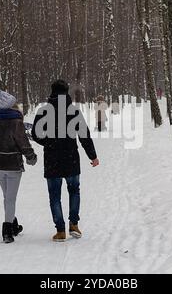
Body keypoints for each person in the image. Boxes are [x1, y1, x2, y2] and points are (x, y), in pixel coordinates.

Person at [32, 80, 99, 242]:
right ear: (66, 92)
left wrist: (49, 142)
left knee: (54, 196)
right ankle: (74, 224)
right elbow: (84, 135)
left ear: (52, 92)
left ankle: (60, 230)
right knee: (74, 191)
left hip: (52, 159)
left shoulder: (44, 111)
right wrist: (93, 156)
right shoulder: (73, 111)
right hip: (71, 159)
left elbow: (35, 134)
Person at [0, 88, 37, 244]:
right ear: (11, 106)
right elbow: (22, 142)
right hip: (13, 164)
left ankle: (13, 225)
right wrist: (31, 156)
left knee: (7, 197)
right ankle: (7, 230)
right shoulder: (16, 122)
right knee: (10, 199)